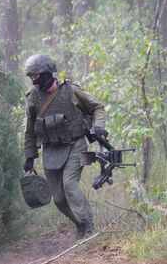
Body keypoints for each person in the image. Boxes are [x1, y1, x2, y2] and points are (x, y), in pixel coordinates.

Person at [22, 54, 107, 240]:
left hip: (75, 144)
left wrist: (98, 126)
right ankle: (80, 225)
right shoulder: (33, 98)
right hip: (51, 150)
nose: (33, 81)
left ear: (47, 73)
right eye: (31, 77)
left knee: (69, 184)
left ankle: (88, 225)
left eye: (36, 76)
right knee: (59, 199)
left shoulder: (70, 90)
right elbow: (30, 130)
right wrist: (30, 156)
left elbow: (97, 107)